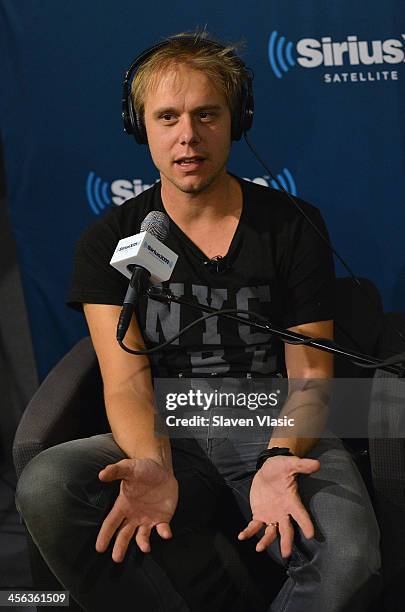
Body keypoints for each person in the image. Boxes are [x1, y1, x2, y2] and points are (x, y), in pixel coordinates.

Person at [16, 32, 382, 612]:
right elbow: (126, 377)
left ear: (237, 120)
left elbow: (310, 369)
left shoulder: (289, 225)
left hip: (270, 419)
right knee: (47, 483)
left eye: (206, 114)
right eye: (167, 117)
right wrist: (151, 463)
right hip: (167, 425)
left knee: (349, 559)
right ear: (142, 128)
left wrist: (278, 457)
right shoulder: (110, 240)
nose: (188, 136)